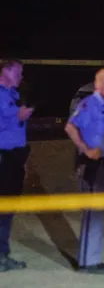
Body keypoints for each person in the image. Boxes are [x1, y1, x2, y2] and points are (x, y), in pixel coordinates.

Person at [65, 68, 104, 274]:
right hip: (92, 168)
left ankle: (90, 259)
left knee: (97, 213)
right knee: (93, 214)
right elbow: (70, 127)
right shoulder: (90, 104)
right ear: (96, 83)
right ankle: (88, 262)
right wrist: (86, 149)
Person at [0, 60, 33, 272]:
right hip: (3, 159)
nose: (21, 77)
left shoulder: (12, 95)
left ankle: (3, 254)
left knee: (9, 209)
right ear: (6, 72)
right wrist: (22, 114)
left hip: (14, 159)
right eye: (19, 73)